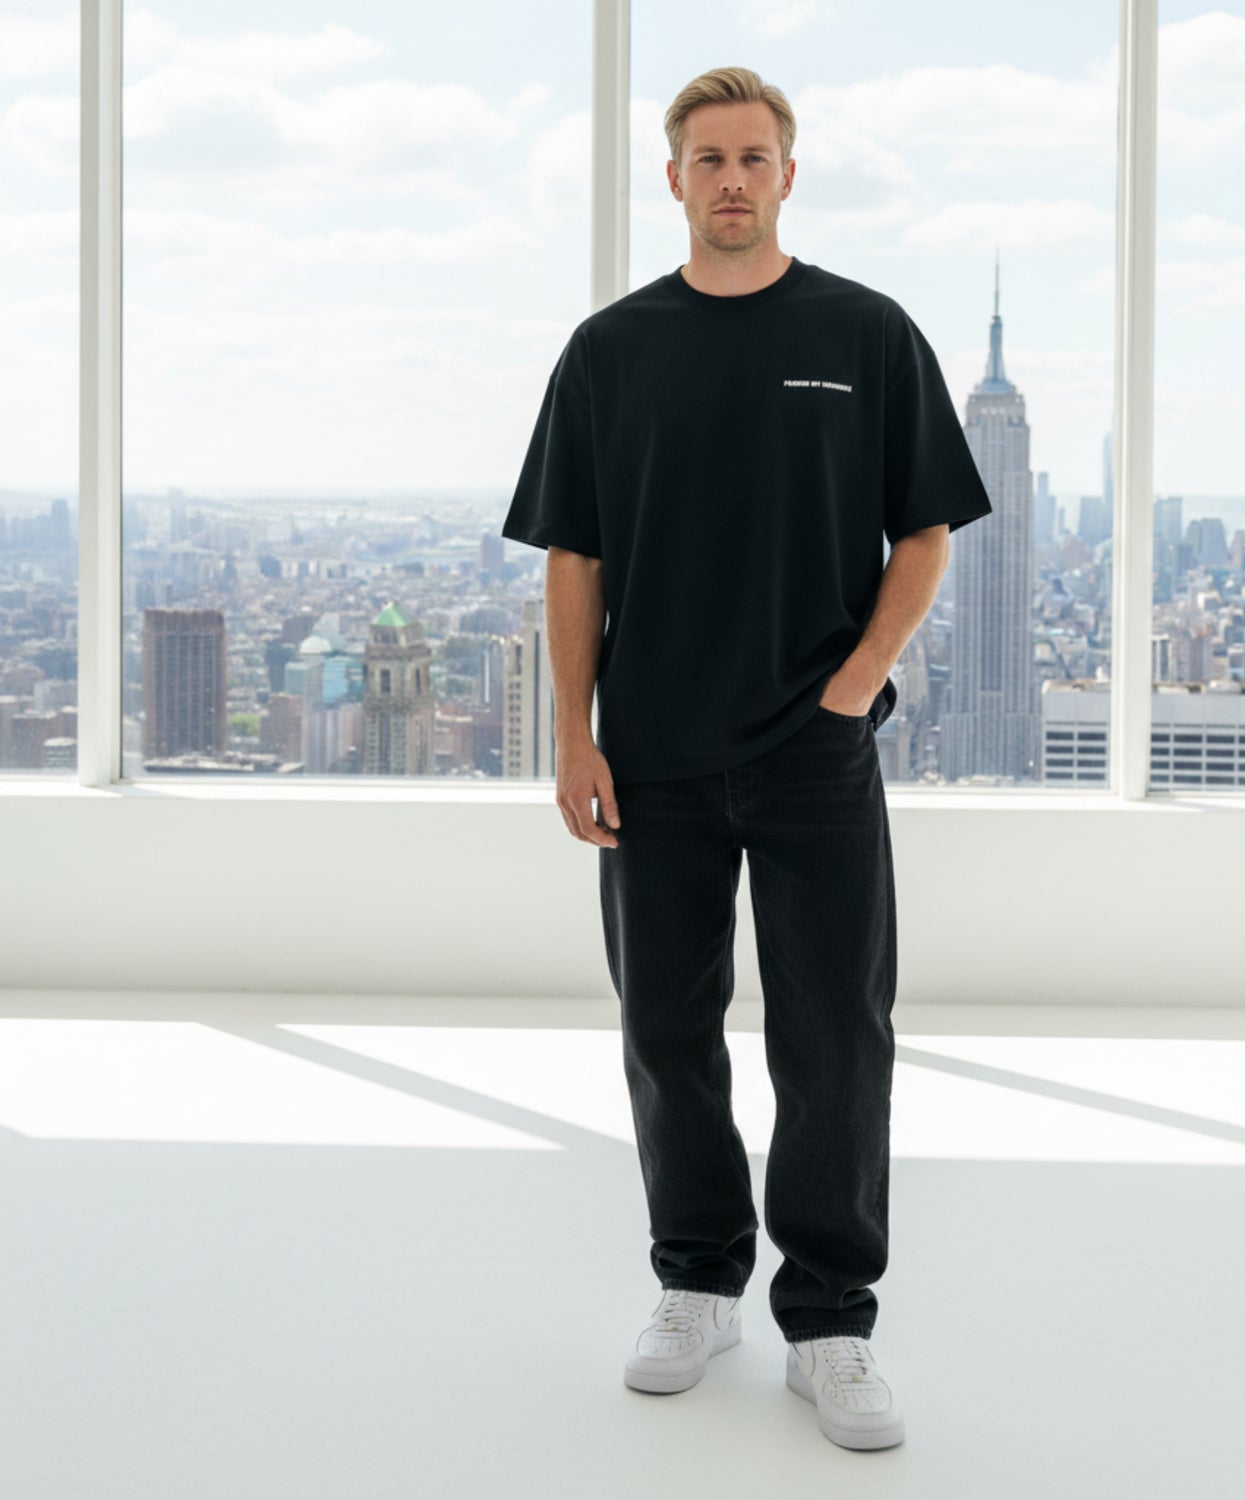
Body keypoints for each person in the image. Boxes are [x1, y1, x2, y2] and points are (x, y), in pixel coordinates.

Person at [501, 65, 992, 1452]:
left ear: (788, 173)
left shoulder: (866, 330)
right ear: (673, 179)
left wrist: (852, 689)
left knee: (836, 1034)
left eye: (755, 155)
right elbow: (575, 559)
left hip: (815, 756)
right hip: (650, 754)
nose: (731, 176)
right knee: (668, 1031)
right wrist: (572, 738)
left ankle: (830, 1319)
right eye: (707, 155)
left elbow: (927, 533)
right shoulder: (609, 350)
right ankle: (697, 1282)